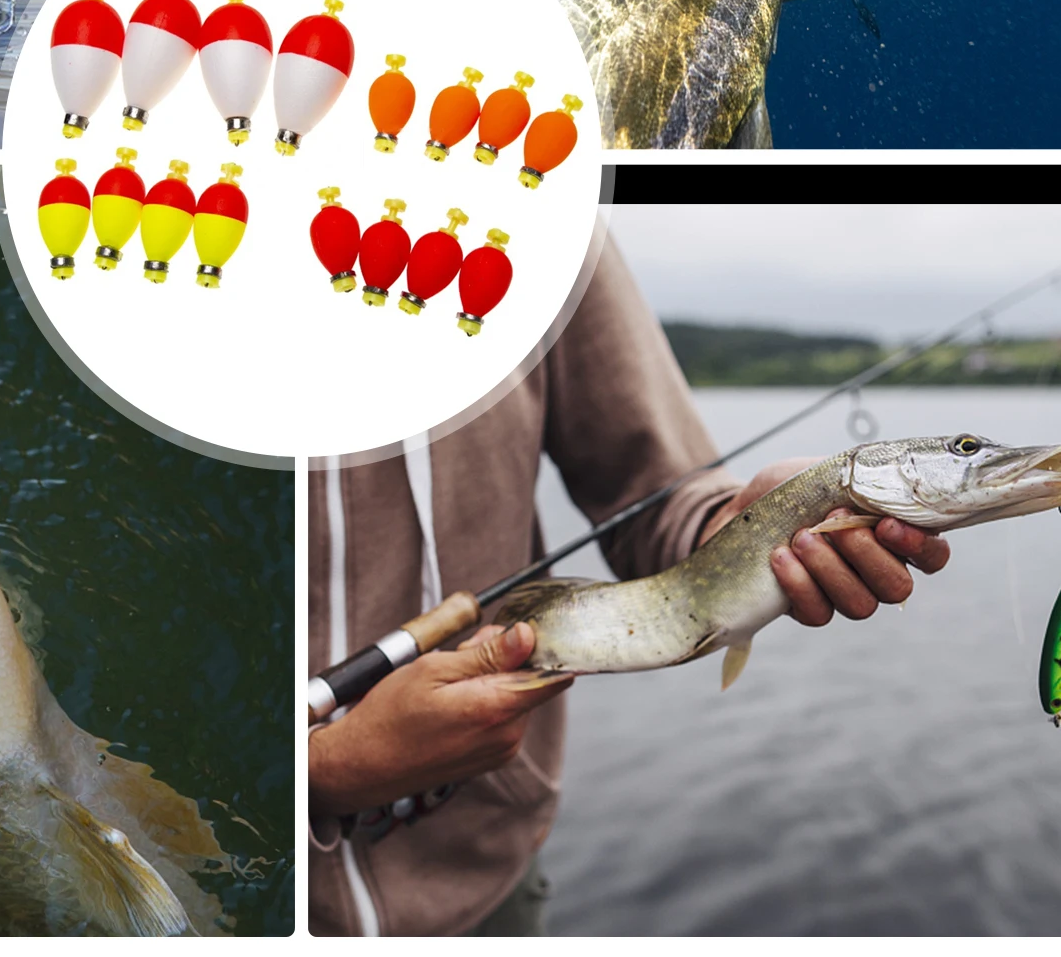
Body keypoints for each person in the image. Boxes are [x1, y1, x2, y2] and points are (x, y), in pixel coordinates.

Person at [307, 239, 949, 936]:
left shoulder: (541, 214)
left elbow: (659, 490)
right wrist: (312, 770)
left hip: (484, 884)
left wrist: (728, 524)